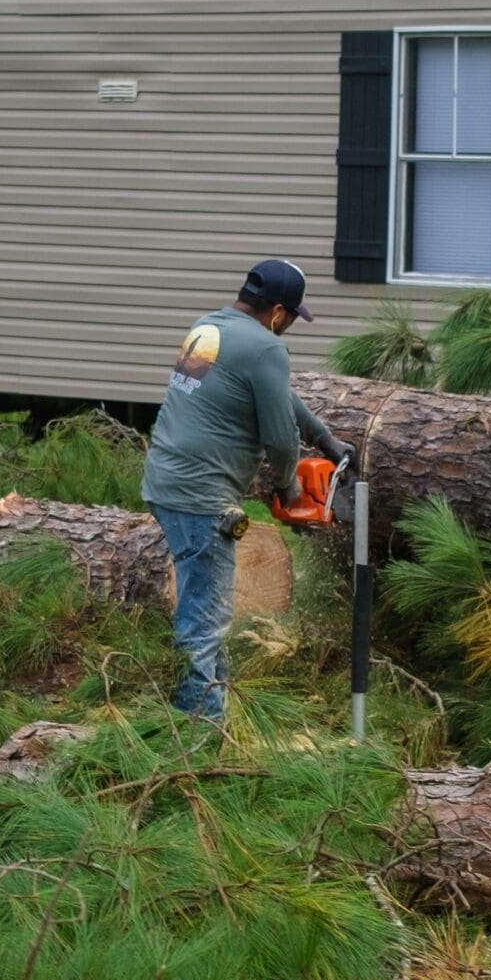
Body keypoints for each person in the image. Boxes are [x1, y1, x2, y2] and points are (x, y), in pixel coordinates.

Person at [140, 257, 350, 721]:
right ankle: (197, 736)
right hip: (201, 496)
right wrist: (290, 490)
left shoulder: (209, 328)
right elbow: (277, 438)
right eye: (293, 317)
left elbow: (277, 393)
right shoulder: (265, 347)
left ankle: (212, 710)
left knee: (206, 607)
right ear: (278, 311)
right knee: (205, 620)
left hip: (163, 480)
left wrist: (324, 438)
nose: (291, 326)